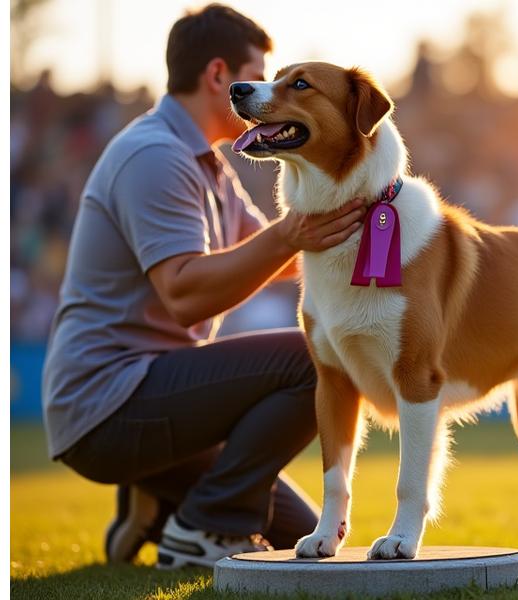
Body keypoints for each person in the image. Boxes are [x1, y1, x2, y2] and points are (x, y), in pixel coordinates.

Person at [41, 4, 366, 569]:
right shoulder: (154, 155)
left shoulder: (209, 163)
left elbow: (285, 255)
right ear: (219, 75)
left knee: (295, 537)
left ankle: (159, 505)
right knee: (316, 359)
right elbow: (186, 292)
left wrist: (384, 253)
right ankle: (201, 526)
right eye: (256, 75)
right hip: (106, 405)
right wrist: (294, 234)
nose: (265, 93)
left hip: (156, 396)